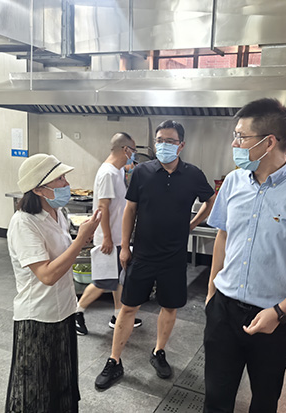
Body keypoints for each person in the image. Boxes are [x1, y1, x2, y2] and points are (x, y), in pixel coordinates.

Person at [203, 98, 286, 412]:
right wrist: (211, 293)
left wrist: (280, 312)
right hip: (223, 311)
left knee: (264, 401)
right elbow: (223, 235)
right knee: (215, 399)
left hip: (276, 318)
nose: (234, 144)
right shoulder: (233, 182)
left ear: (269, 142)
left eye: (241, 137)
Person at [95, 120, 216, 390]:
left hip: (174, 256)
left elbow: (210, 200)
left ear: (181, 145)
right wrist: (125, 246)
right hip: (143, 254)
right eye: (159, 140)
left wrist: (193, 224)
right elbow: (130, 210)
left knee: (169, 307)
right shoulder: (142, 172)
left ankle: (159, 351)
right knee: (128, 306)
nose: (163, 145)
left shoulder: (193, 174)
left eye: (170, 141)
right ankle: (114, 360)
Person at [5, 153, 101, 413]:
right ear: (38, 189)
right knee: (35, 391)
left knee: (61, 382)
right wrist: (80, 240)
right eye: (59, 179)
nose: (66, 183)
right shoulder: (23, 223)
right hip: (38, 316)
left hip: (64, 309)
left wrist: (85, 239)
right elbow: (46, 275)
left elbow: (63, 256)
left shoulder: (58, 213)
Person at [75, 132, 143, 335]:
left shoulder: (117, 171)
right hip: (109, 239)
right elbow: (103, 207)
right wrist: (106, 238)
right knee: (103, 282)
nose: (134, 155)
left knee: (118, 279)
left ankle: (117, 315)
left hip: (117, 237)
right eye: (133, 151)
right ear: (126, 150)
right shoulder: (107, 173)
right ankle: (76, 313)